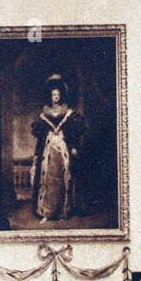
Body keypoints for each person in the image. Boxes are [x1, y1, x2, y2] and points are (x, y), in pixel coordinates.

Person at [31, 74, 86, 222]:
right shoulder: (45, 114)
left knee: (63, 177)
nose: (55, 96)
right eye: (53, 94)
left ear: (61, 95)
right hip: (49, 150)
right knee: (48, 178)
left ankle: (62, 210)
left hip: (63, 149)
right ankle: (47, 212)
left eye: (58, 94)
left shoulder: (67, 113)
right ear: (50, 96)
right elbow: (38, 133)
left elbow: (75, 130)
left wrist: (73, 146)